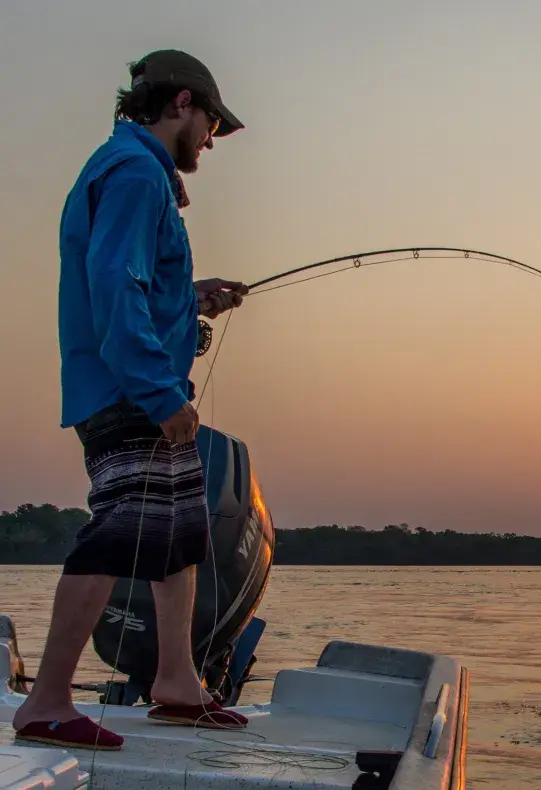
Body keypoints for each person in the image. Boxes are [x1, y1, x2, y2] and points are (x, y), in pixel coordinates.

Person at [13, 50, 251, 750]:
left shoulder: (137, 174)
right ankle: (47, 702)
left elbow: (136, 281)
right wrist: (156, 392)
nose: (209, 139)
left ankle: (177, 681)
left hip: (142, 381)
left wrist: (193, 294)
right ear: (181, 104)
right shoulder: (135, 173)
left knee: (178, 537)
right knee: (119, 532)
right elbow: (114, 285)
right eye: (210, 124)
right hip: (128, 389)